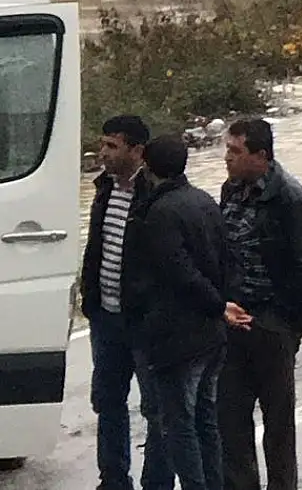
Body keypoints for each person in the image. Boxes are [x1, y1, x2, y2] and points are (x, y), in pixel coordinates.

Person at [220, 118, 302, 490]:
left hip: (272, 323)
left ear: (260, 156)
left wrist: (279, 318)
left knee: (277, 420)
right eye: (227, 150)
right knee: (230, 416)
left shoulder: (293, 200)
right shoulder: (232, 191)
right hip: (233, 320)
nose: (227, 158)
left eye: (236, 151)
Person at [131, 135, 237, 490]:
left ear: (147, 164)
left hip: (178, 334)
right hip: (210, 334)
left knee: (179, 424)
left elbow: (178, 271)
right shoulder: (205, 201)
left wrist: (215, 304)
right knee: (205, 418)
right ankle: (213, 483)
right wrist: (219, 306)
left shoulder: (160, 213)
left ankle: (195, 484)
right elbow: (225, 260)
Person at [84, 116, 172, 490]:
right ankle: (114, 480)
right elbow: (97, 247)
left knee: (156, 408)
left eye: (112, 146)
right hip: (106, 317)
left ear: (137, 151)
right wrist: (90, 299)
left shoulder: (156, 194)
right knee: (107, 401)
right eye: (103, 145)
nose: (104, 154)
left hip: (143, 322)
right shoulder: (104, 188)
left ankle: (157, 482)